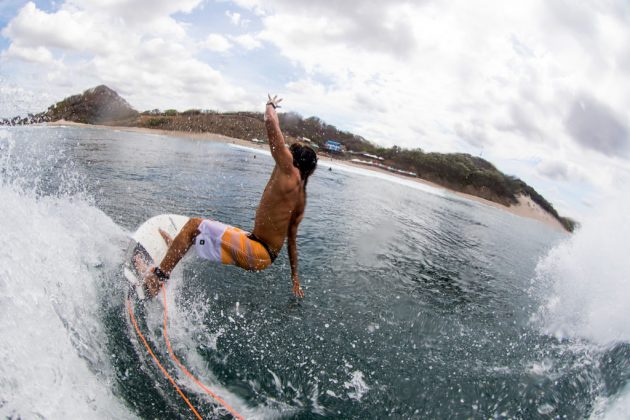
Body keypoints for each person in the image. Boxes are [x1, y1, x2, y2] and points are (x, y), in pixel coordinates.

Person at [135, 95, 318, 298]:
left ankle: (157, 278)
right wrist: (295, 278)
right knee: (199, 230)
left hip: (257, 251)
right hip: (262, 251)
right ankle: (177, 248)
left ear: (296, 161)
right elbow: (292, 241)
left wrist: (271, 105)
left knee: (194, 225)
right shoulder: (300, 195)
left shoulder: (287, 168)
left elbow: (270, 122)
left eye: (293, 150)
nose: (288, 149)